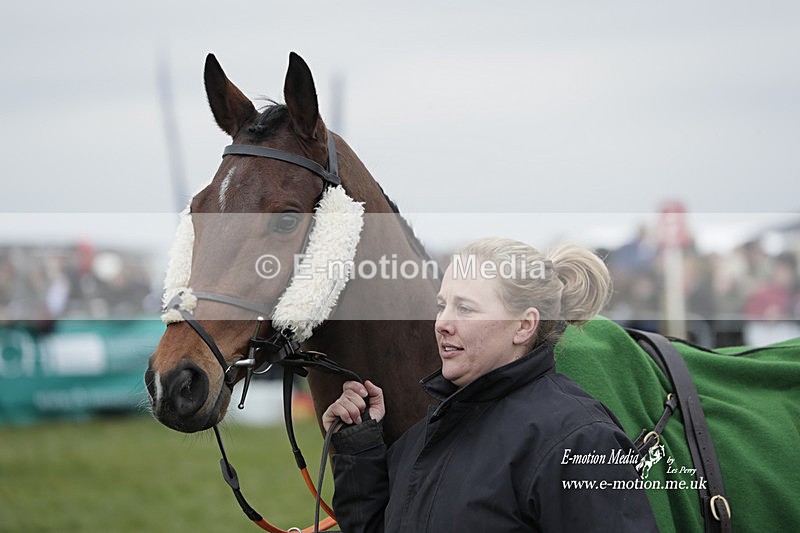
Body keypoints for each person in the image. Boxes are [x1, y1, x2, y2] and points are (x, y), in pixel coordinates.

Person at [323, 237, 659, 532]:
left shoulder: (581, 439)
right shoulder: (425, 435)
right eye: (442, 305)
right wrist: (358, 446)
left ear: (524, 326)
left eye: (465, 308)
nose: (442, 323)